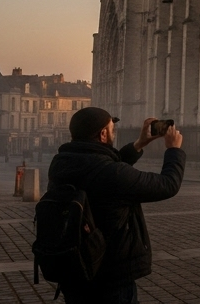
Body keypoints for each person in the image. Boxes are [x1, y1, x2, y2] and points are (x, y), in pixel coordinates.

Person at [47, 107, 185, 303]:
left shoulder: (61, 163)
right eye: (112, 129)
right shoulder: (111, 173)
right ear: (103, 134)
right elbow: (167, 185)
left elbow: (102, 168)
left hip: (75, 269)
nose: (114, 133)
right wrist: (173, 150)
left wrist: (139, 144)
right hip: (110, 276)